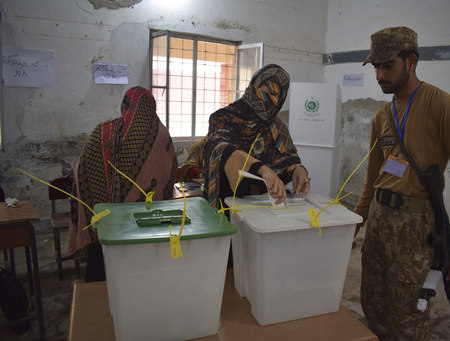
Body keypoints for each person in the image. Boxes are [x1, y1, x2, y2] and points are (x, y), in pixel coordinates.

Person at [354, 27, 450, 340]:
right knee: (374, 304)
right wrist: (357, 219)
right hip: (379, 221)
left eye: (388, 65)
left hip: (416, 226)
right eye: (376, 67)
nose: (380, 74)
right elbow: (373, 176)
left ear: (411, 61)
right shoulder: (382, 115)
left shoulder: (443, 107)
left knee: (410, 314)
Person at [68, 86, 179, 282]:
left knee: (104, 282)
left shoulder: (105, 132)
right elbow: (170, 179)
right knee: (144, 281)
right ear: (152, 106)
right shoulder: (163, 137)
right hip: (150, 226)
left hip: (109, 226)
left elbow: (83, 171)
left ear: (125, 106)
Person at [203, 64, 310, 208]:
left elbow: (288, 157)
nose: (273, 101)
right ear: (254, 86)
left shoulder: (276, 125)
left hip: (267, 205)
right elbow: (220, 147)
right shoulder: (223, 117)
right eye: (269, 92)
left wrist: (298, 169)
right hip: (230, 204)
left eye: (278, 97)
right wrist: (261, 169)